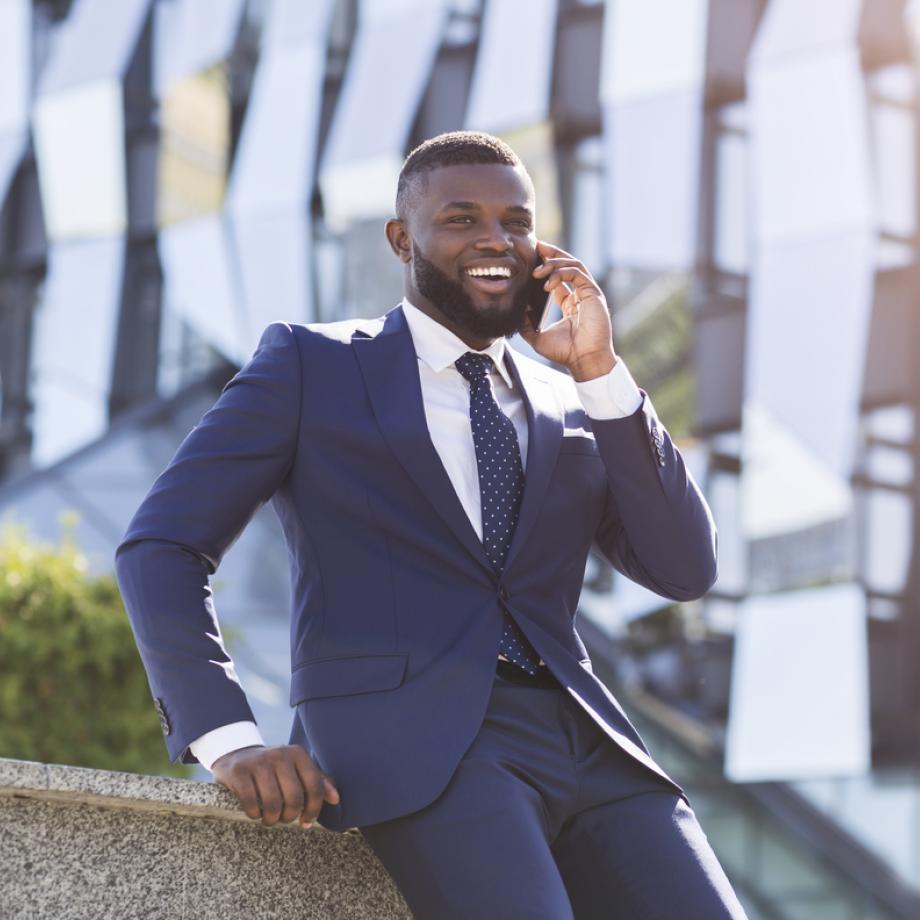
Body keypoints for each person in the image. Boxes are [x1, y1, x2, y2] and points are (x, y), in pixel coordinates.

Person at [116, 131, 745, 918]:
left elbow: (685, 568)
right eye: (462, 219)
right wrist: (227, 739)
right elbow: (163, 545)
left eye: (516, 222)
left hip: (590, 742)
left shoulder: (570, 402)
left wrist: (599, 374)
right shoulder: (312, 366)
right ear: (402, 239)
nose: (495, 239)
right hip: (415, 743)